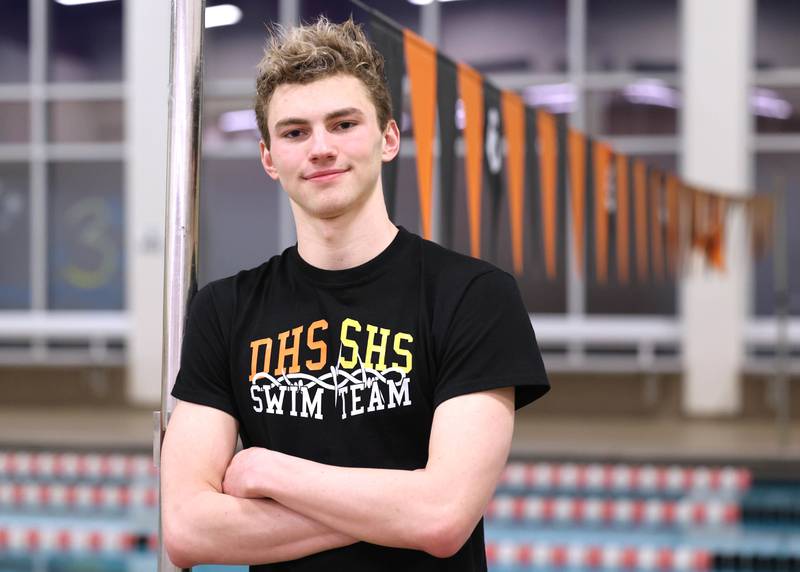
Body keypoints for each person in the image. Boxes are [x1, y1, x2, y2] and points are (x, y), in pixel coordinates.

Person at [161, 16, 549, 571]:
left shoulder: (472, 296)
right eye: (294, 132)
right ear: (270, 158)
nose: (320, 148)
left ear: (388, 138)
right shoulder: (225, 310)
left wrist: (269, 472)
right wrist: (395, 511)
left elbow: (440, 519)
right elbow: (187, 529)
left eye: (343, 124)